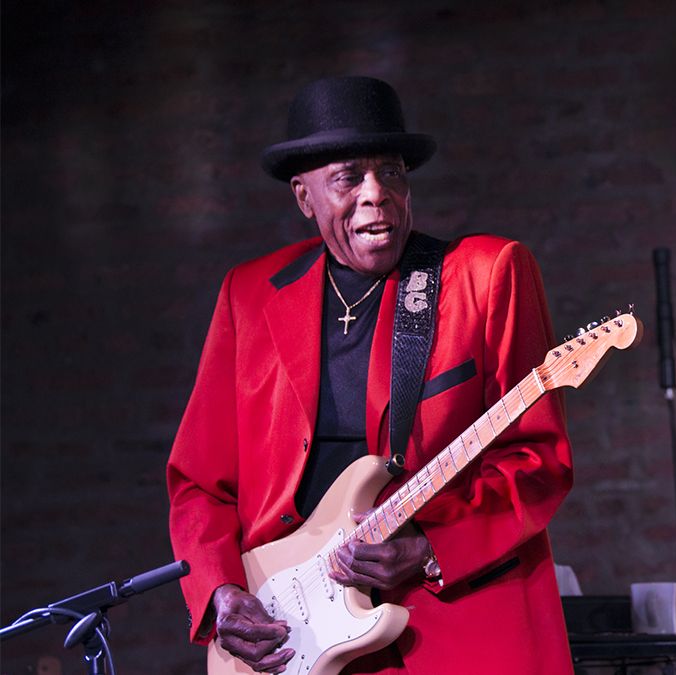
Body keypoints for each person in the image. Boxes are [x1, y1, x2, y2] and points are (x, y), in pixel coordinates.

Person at [166, 76, 574, 674]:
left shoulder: (486, 276)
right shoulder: (248, 296)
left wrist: (433, 548)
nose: (376, 193)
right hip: (294, 630)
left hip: (455, 621)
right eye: (348, 177)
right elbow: (199, 482)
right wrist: (221, 593)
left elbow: (540, 458)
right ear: (305, 198)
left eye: (392, 172)